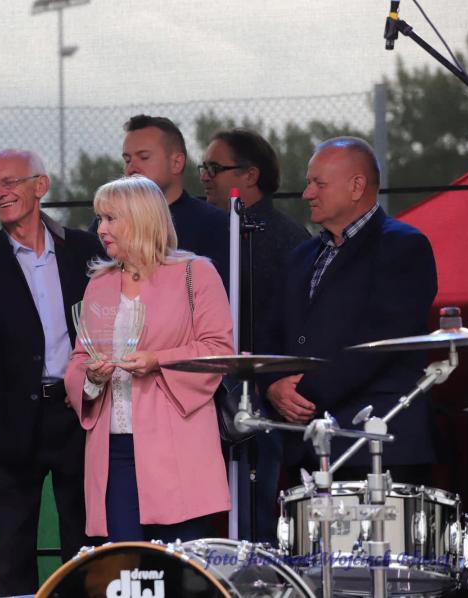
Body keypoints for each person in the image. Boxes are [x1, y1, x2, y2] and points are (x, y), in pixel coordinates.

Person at [0, 149, 99, 596]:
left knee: (84, 544)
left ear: (41, 186)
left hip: (81, 415)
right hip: (14, 421)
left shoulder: (87, 250)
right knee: (14, 548)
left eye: (9, 182)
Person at [65, 175, 234, 543]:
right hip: (114, 452)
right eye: (99, 218)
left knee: (180, 565)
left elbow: (218, 350)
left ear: (141, 218)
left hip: (178, 448)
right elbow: (79, 359)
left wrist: (158, 360)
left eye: (110, 218)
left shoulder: (195, 273)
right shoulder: (99, 283)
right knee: (126, 564)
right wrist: (91, 378)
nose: (100, 229)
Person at [259, 137, 437, 480]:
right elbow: (269, 332)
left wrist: (299, 394)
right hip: (307, 446)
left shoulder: (403, 247)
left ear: (357, 186)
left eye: (319, 183)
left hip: (378, 446)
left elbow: (380, 342)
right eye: (309, 183)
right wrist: (272, 385)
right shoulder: (300, 257)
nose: (307, 194)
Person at [199, 128, 310, 542]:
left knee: (258, 517)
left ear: (250, 175)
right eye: (203, 167)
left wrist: (267, 380)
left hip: (262, 404)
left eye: (215, 167)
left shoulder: (285, 239)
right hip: (217, 398)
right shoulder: (213, 230)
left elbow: (292, 325)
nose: (205, 176)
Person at [91, 114, 229, 287]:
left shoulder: (213, 223)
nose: (131, 167)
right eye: (127, 160)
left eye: (144, 157)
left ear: (177, 162)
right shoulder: (105, 225)